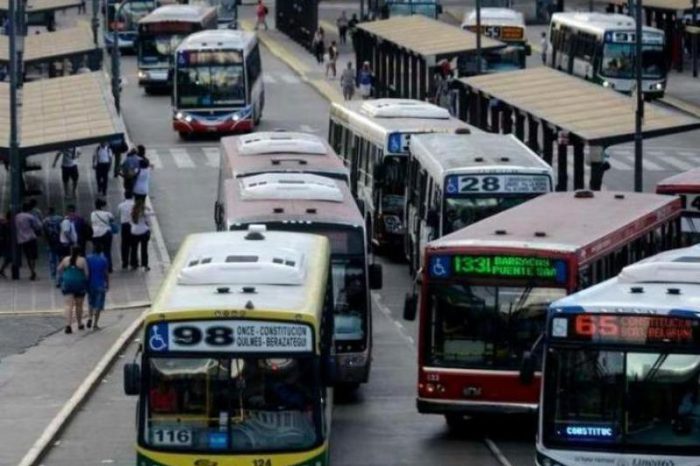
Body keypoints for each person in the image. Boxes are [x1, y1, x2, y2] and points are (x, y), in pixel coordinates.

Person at [57, 246, 89, 334]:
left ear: (71, 251)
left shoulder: (65, 259)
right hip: (79, 284)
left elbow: (59, 269)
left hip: (68, 284)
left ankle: (68, 325)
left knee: (68, 305)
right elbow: (87, 274)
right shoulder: (82, 260)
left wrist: (64, 275)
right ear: (79, 252)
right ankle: (79, 323)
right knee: (79, 305)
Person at [15, 202, 42, 280]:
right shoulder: (30, 216)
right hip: (31, 237)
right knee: (33, 256)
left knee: (28, 256)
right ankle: (33, 271)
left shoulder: (17, 216)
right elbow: (38, 226)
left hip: (22, 239)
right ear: (29, 209)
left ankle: (32, 271)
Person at [86, 242, 109, 330]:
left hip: (91, 283)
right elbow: (106, 273)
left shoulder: (88, 258)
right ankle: (95, 323)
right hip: (100, 284)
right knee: (98, 305)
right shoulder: (103, 259)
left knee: (91, 302)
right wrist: (107, 284)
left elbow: (87, 271)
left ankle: (90, 318)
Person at [90, 198, 116, 273]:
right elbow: (112, 219)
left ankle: (95, 267)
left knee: (95, 251)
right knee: (107, 251)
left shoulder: (92, 214)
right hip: (106, 233)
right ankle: (109, 267)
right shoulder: (107, 214)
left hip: (95, 234)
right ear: (103, 206)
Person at [130, 199, 152, 271]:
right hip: (143, 232)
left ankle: (134, 264)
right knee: (144, 249)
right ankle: (145, 265)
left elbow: (130, 222)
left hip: (134, 232)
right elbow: (149, 220)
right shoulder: (144, 213)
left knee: (134, 249)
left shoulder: (132, 213)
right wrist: (147, 208)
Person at [42, 206, 63, 281]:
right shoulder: (60, 219)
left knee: (52, 259)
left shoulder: (45, 221)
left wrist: (45, 241)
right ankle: (60, 274)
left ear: (48, 212)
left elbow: (44, 233)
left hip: (50, 242)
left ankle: (53, 274)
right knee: (60, 258)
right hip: (59, 241)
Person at [117, 192, 135, 270]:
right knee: (134, 244)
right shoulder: (135, 204)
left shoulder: (121, 205)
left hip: (124, 226)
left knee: (124, 244)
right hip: (133, 225)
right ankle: (133, 262)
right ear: (132, 196)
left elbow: (118, 215)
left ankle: (125, 262)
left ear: (125, 196)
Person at [0, 212, 11, 278]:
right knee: (8, 258)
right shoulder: (6, 224)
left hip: (4, 244)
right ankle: (2, 270)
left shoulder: (5, 223)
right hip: (4, 244)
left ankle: (2, 270)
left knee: (8, 258)